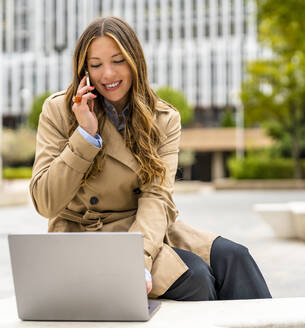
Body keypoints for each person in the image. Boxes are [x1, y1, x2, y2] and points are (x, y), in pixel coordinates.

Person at [29, 16, 271, 301]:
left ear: (135, 61)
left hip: (144, 226)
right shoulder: (60, 110)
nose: (107, 73)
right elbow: (45, 202)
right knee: (196, 277)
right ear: (84, 70)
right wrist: (84, 135)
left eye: (118, 60)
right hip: (86, 235)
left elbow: (157, 196)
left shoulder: (163, 118)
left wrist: (139, 259)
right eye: (96, 65)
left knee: (235, 258)